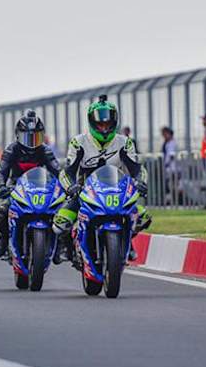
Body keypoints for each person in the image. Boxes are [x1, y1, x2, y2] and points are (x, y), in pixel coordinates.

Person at [52, 95, 150, 263]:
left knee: (143, 217)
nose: (104, 128)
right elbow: (67, 172)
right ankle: (66, 248)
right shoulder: (79, 142)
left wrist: (141, 183)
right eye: (100, 124)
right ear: (92, 123)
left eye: (108, 124)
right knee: (60, 222)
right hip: (86, 192)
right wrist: (71, 187)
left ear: (114, 123)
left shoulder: (124, 143)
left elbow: (137, 169)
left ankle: (127, 241)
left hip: (117, 191)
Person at [0, 110, 61, 258]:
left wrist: (66, 186)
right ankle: (3, 240)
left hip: (41, 188)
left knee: (61, 212)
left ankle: (60, 247)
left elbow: (57, 170)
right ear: (18, 135)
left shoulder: (45, 150)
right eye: (27, 137)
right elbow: (1, 171)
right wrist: (0, 186)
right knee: (2, 211)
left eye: (35, 137)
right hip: (16, 187)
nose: (32, 141)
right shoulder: (12, 150)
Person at [161, 126, 178, 201]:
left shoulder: (172, 143)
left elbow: (170, 155)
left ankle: (173, 200)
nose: (164, 136)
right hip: (168, 167)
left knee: (172, 184)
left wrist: (166, 163)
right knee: (169, 184)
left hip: (171, 167)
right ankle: (170, 199)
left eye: (165, 134)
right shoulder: (167, 143)